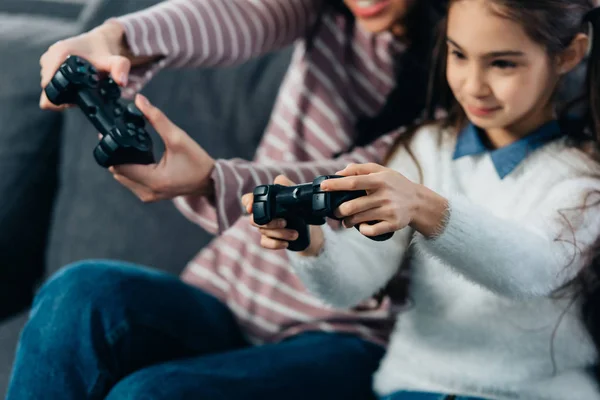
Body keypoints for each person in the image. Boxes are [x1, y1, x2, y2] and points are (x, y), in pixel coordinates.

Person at [7, 1, 445, 399]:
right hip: (226, 298)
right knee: (76, 293)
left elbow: (363, 182)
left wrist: (212, 181)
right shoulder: (328, 15)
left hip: (341, 336)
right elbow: (236, 14)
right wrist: (112, 38)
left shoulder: (468, 71)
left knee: (149, 394)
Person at [253, 0, 600, 399]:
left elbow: (535, 271)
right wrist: (311, 245)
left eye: (502, 63)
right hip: (413, 386)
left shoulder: (583, 176)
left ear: (569, 55)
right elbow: (352, 284)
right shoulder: (424, 149)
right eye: (458, 54)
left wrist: (424, 208)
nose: (472, 85)